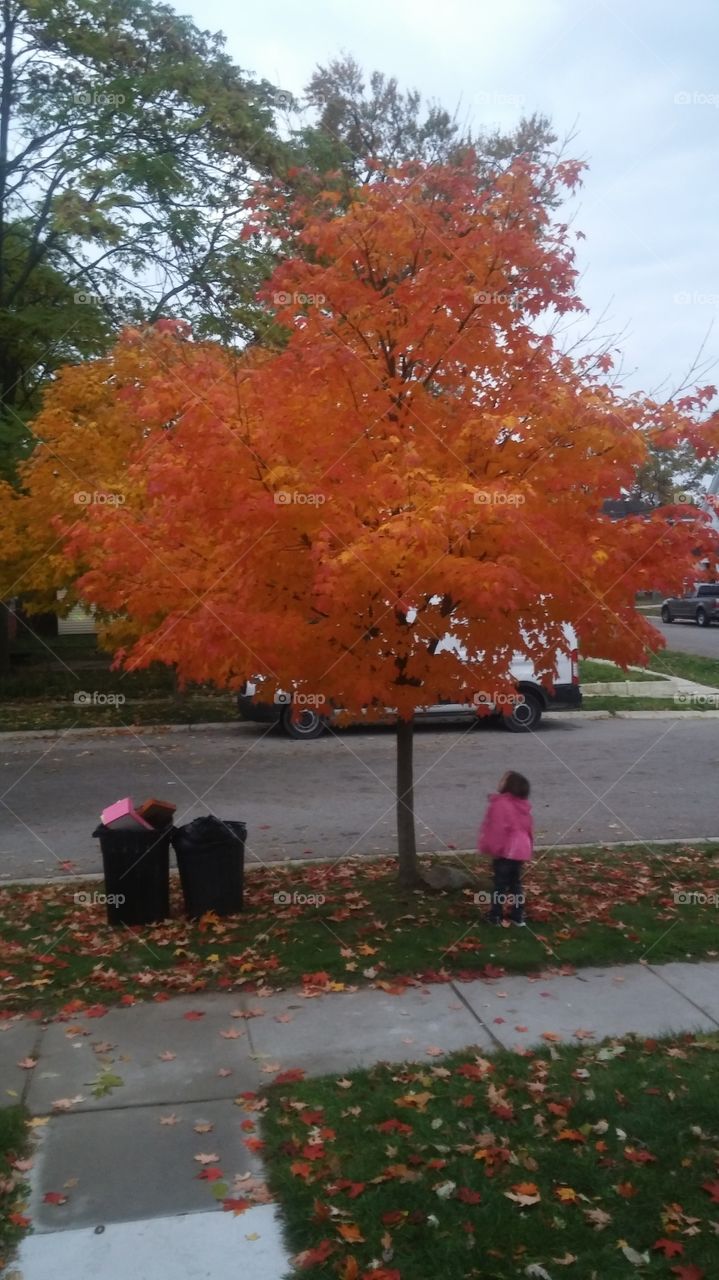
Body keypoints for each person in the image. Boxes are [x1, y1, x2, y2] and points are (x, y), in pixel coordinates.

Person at [477, 771, 533, 925]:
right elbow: (527, 828)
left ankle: (495, 915)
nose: (500, 781)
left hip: (507, 850)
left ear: (508, 785)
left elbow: (497, 829)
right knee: (515, 883)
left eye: (503, 779)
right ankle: (517, 915)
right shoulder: (522, 805)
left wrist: (492, 848)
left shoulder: (500, 804)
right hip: (520, 850)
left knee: (500, 884)